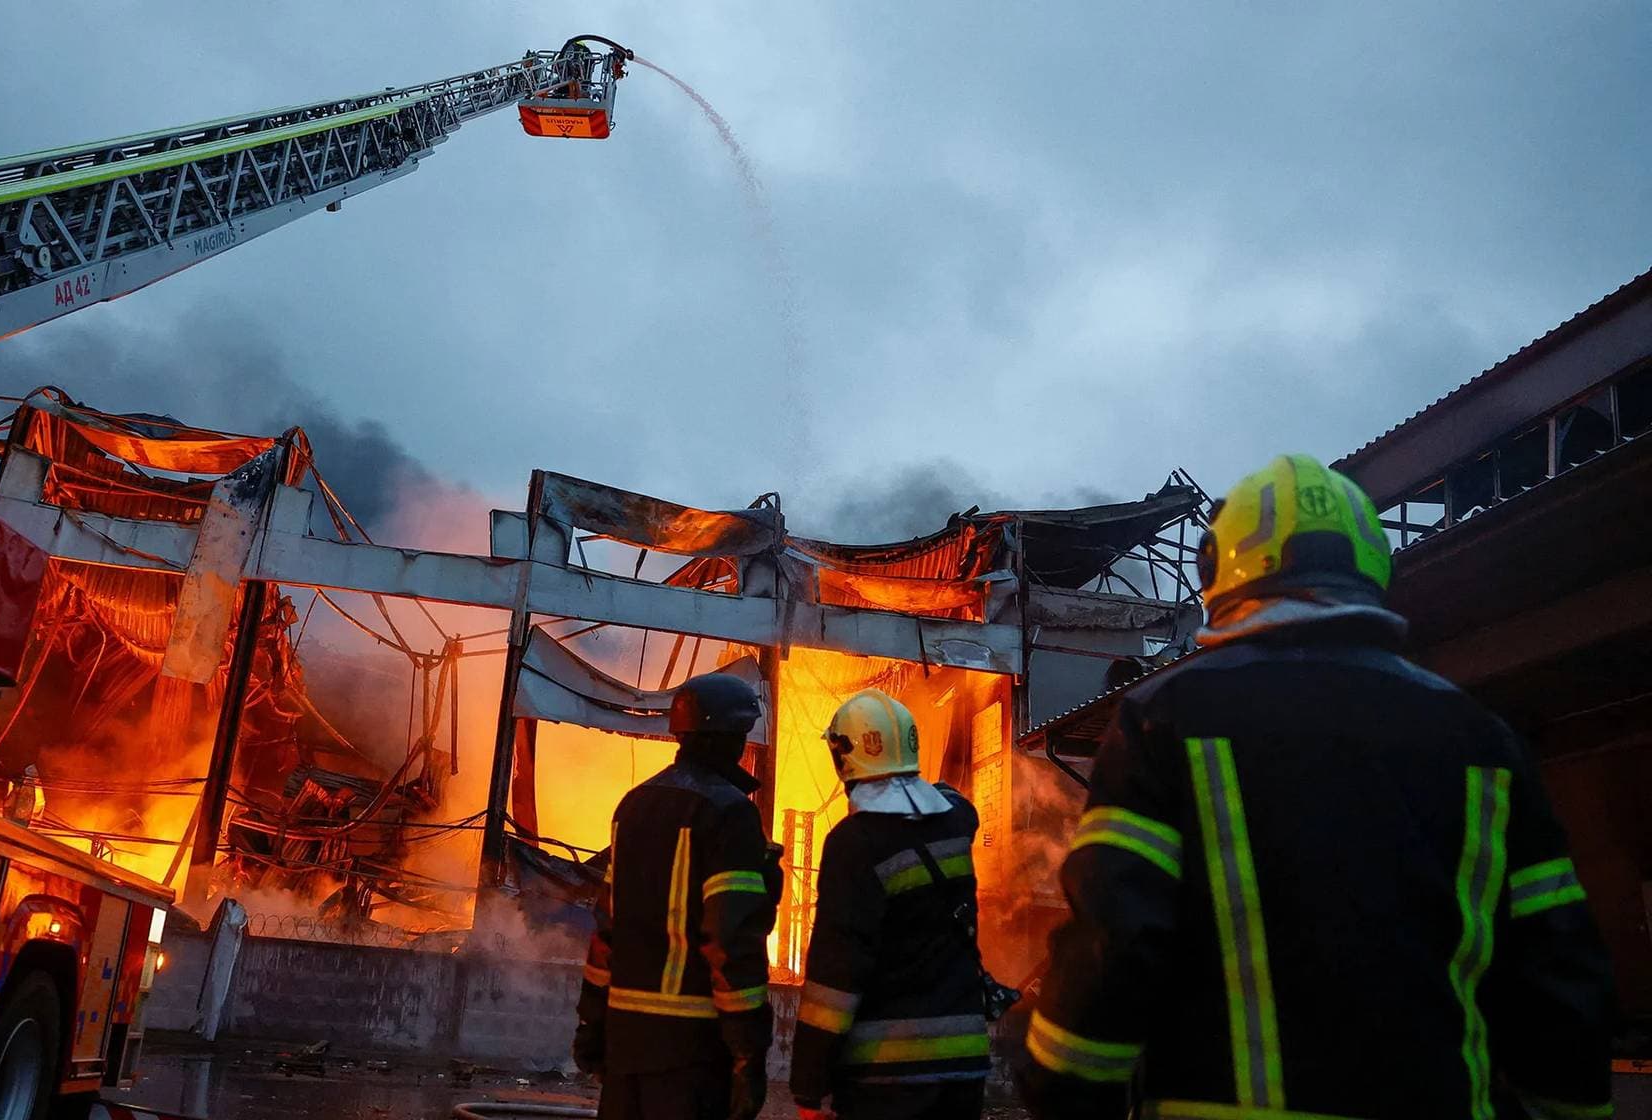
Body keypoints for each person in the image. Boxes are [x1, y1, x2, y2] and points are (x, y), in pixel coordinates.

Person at [1021, 453, 1616, 1119]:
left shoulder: (1167, 719)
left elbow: (1115, 944)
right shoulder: (1483, 740)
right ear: (1374, 566)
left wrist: (1058, 1086)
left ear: (1217, 571)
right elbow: (1558, 968)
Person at [573, 671, 784, 1120]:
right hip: (691, 1051)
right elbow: (731, 942)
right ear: (729, 738)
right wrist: (748, 1052)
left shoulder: (634, 804)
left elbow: (607, 930)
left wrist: (591, 1020)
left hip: (626, 1042)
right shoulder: (731, 813)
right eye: (742, 734)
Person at [790, 689, 992, 1120]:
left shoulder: (852, 843)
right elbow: (956, 801)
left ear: (842, 756)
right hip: (964, 1067)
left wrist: (808, 1083)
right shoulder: (955, 820)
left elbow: (836, 975)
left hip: (885, 1079)